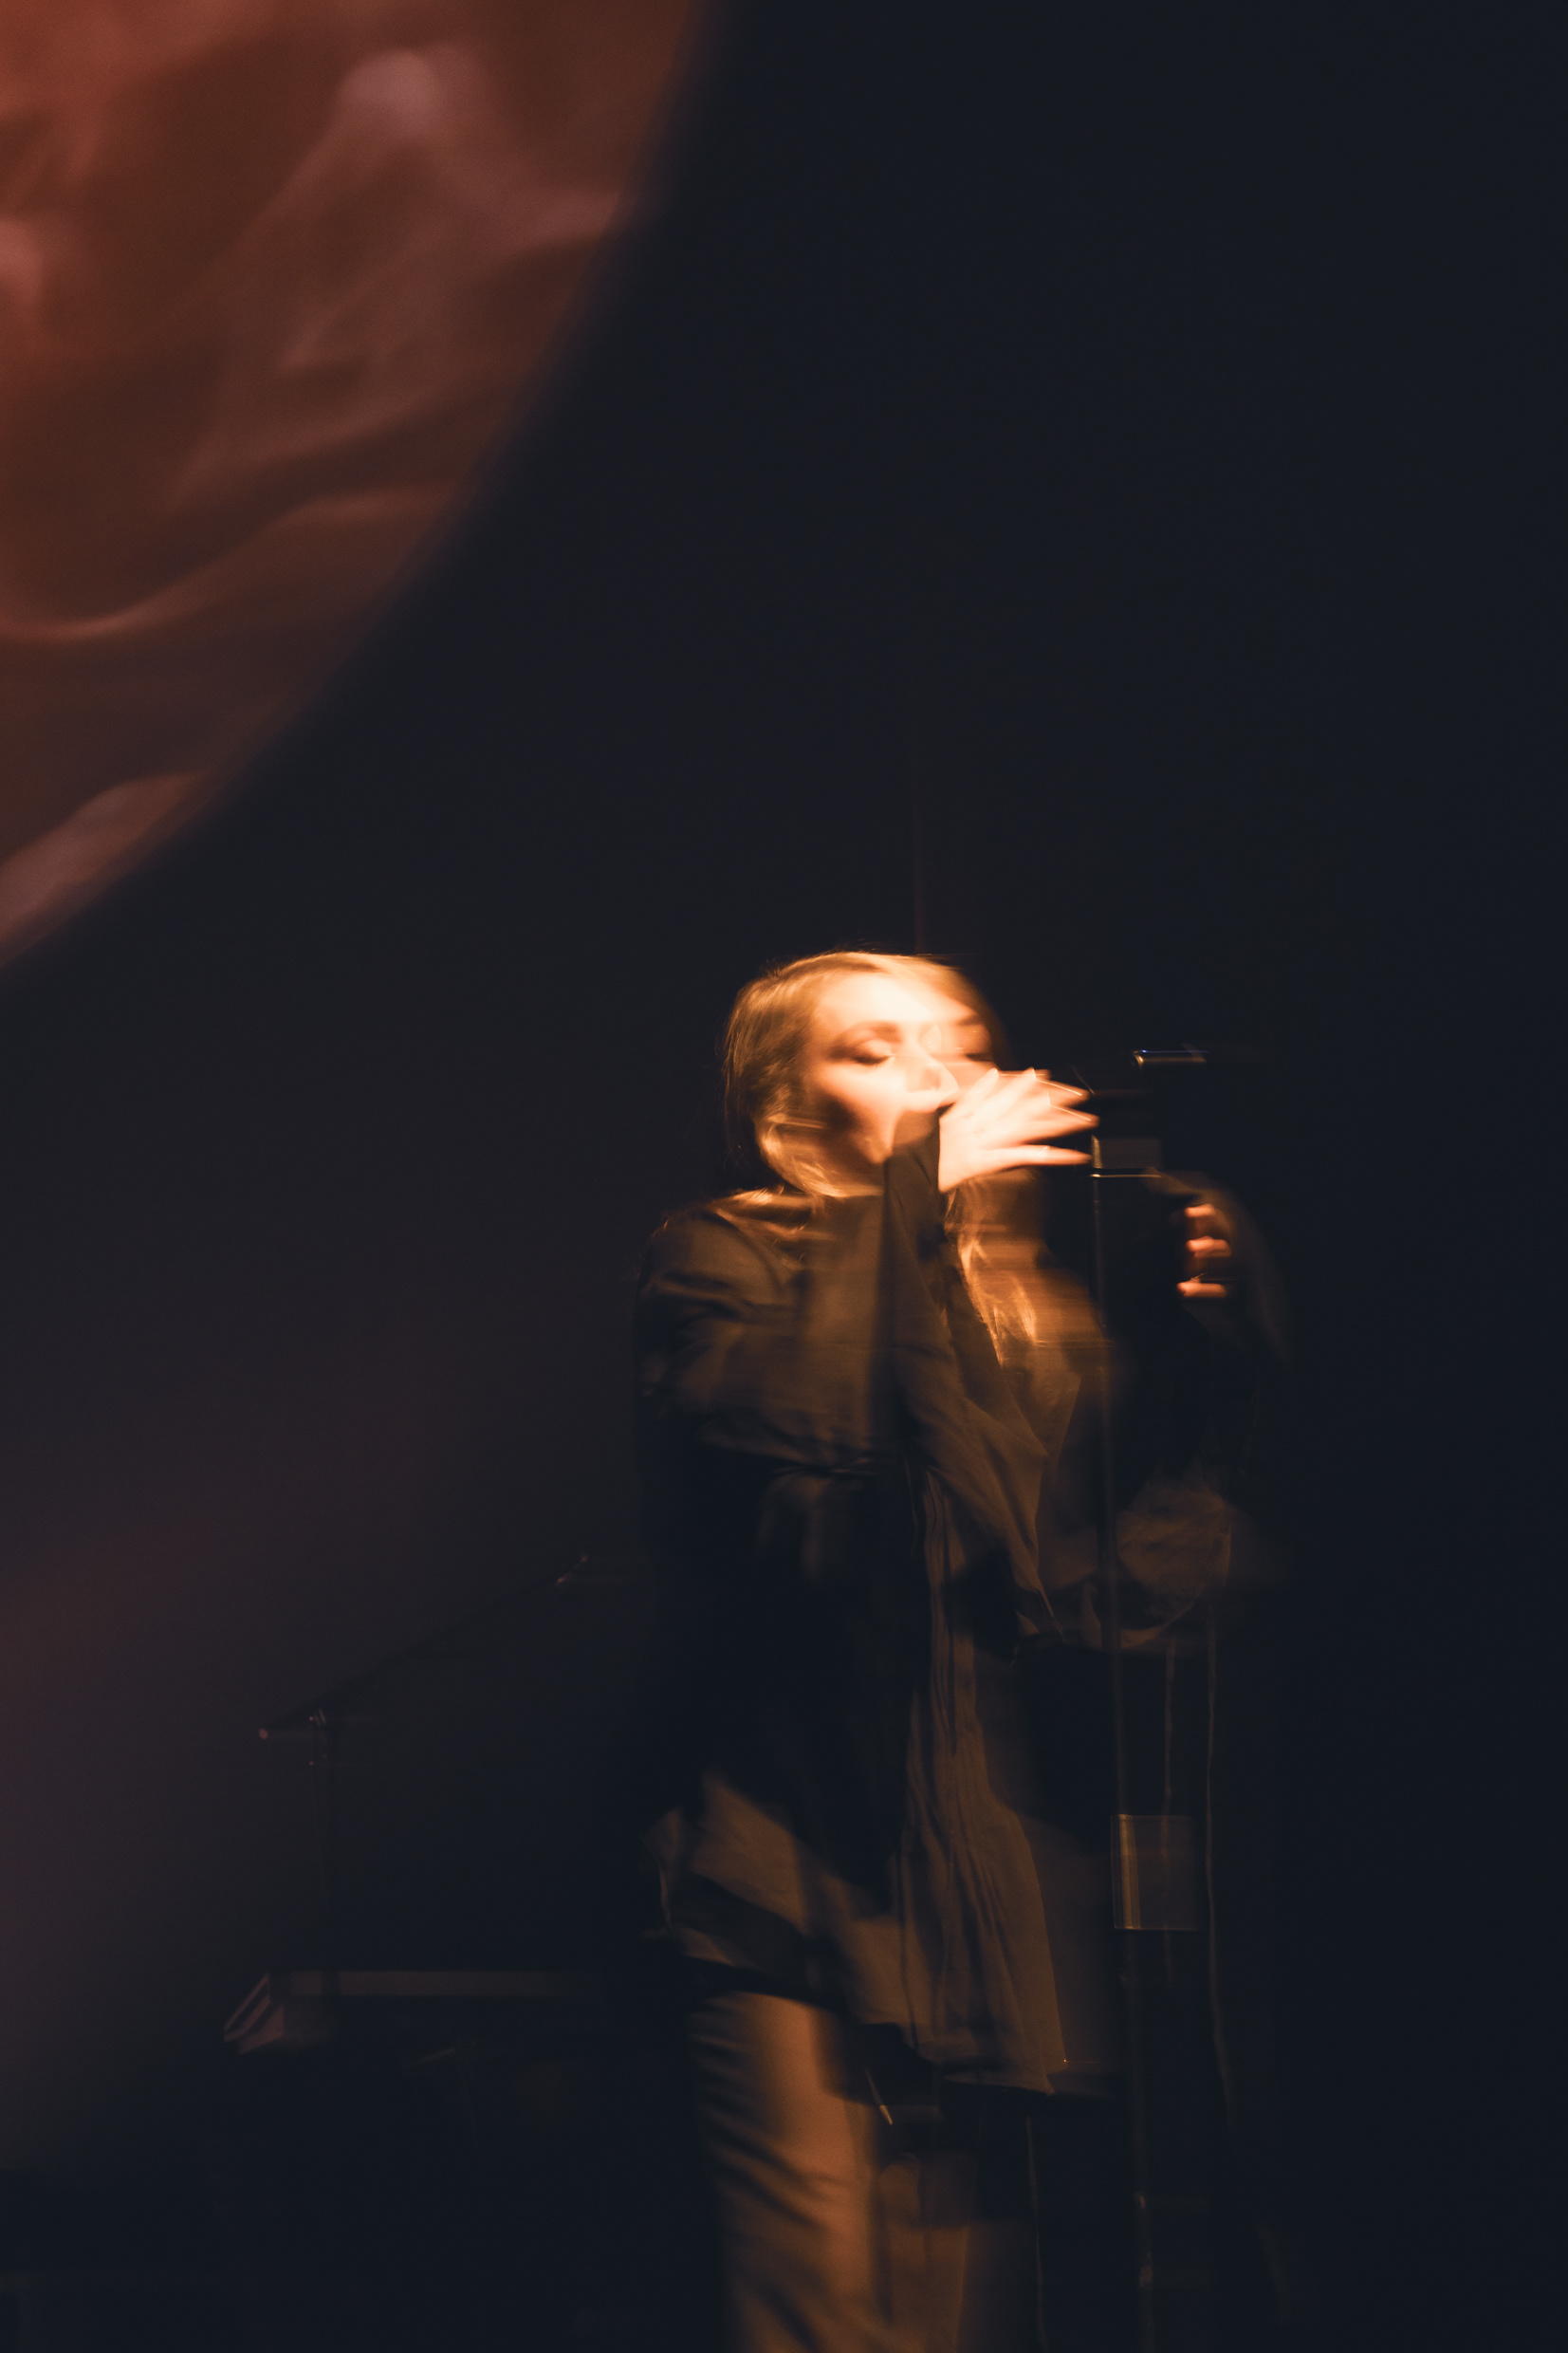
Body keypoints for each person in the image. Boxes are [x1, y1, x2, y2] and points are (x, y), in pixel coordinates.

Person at [631, 950, 1276, 2353]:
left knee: (948, 2311)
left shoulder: (1034, 1310)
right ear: (787, 1112)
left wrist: (1200, 1357)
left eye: (960, 1042)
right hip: (791, 1854)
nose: (936, 1075)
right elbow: (802, 1428)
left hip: (972, 1870)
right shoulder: (726, 1259)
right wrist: (916, 1202)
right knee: (819, 2303)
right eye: (874, 1051)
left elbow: (1095, 1583)